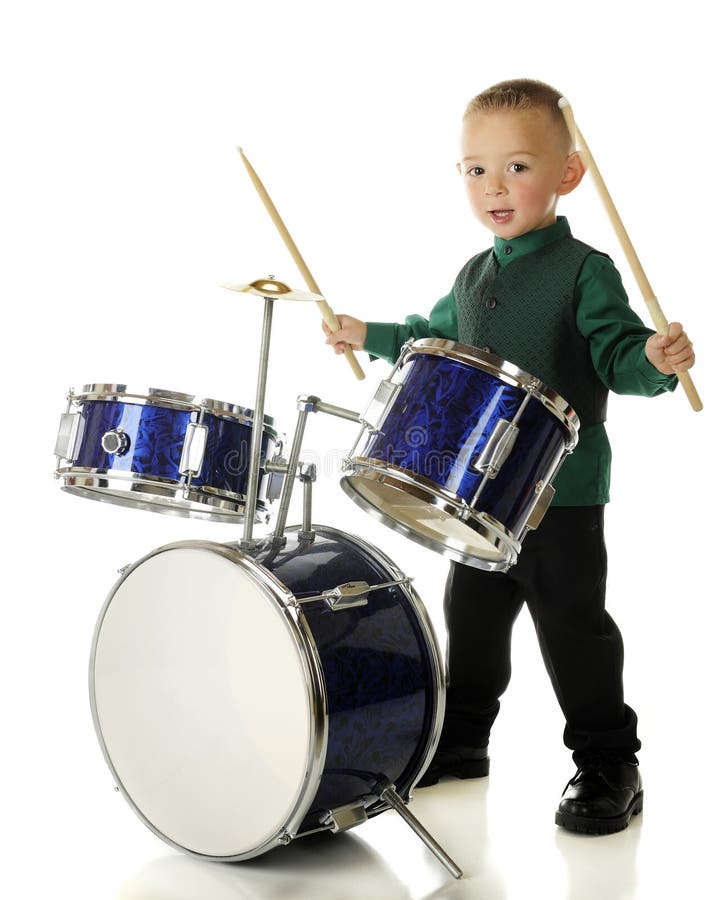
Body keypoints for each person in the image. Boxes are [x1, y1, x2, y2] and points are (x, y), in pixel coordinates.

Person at [324, 78, 696, 835]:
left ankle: (607, 763)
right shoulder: (471, 274)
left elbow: (618, 355)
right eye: (475, 169)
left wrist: (655, 360)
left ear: (568, 174)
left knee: (574, 629)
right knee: (475, 622)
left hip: (561, 494)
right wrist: (369, 335)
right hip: (473, 494)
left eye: (518, 167)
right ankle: (463, 740)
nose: (494, 186)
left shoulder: (584, 270)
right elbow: (432, 341)